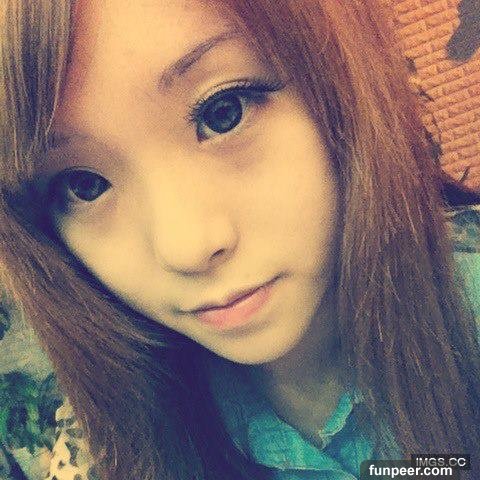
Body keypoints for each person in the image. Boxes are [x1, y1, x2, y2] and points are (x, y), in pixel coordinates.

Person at [0, 1, 479, 479]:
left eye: (223, 113)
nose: (185, 247)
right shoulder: (96, 445)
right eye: (84, 185)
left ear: (337, 72)